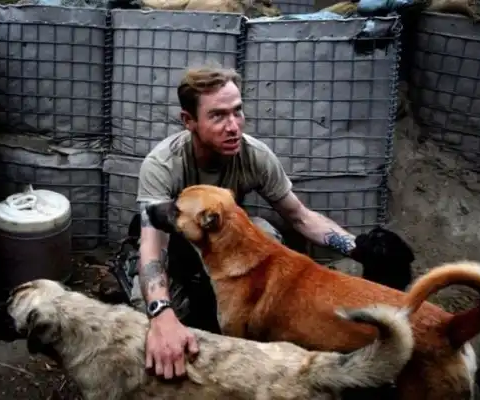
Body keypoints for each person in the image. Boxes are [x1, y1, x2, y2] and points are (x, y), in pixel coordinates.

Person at [131, 64, 382, 381]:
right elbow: (152, 248)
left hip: (221, 248)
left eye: (237, 111)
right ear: (188, 120)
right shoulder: (162, 164)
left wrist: (358, 248)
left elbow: (300, 216)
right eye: (218, 116)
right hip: (176, 248)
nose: (233, 126)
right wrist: (160, 313)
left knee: (264, 233)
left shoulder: (254, 155)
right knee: (149, 320)